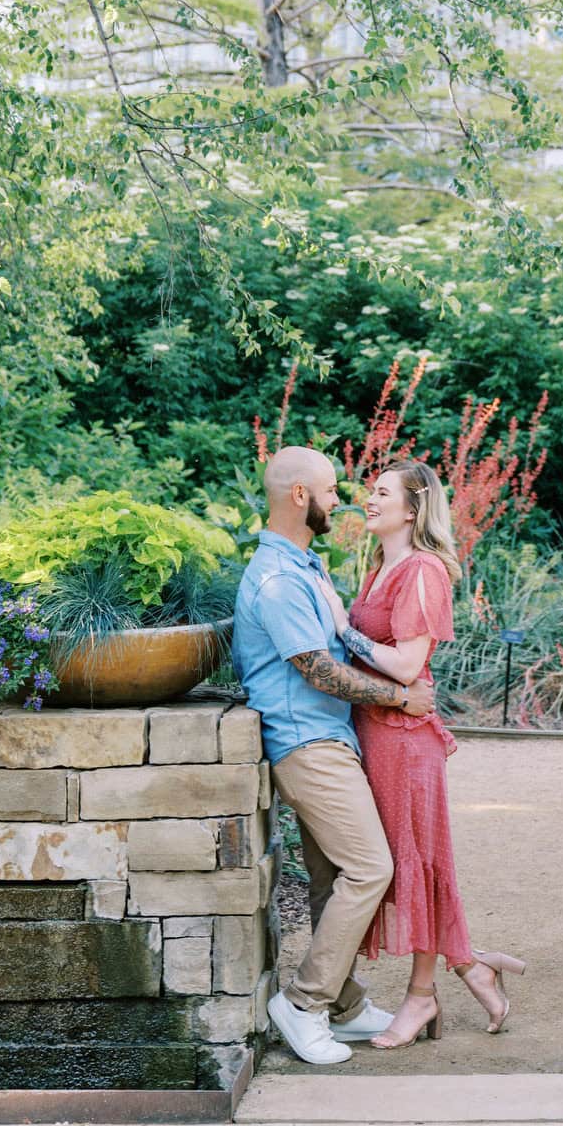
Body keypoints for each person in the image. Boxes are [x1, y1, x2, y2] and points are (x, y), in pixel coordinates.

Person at [233, 445, 437, 1067]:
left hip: (331, 738)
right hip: (306, 743)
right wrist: (401, 698)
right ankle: (305, 1003)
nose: (338, 499)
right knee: (371, 868)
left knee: (331, 881)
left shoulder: (305, 565)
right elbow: (317, 669)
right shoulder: (277, 579)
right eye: (329, 490)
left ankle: (344, 1007)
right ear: (300, 496)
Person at [323, 461, 525, 1050]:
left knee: (417, 863)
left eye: (382, 492)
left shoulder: (422, 570)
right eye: (371, 490)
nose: (370, 498)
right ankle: (470, 964)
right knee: (396, 862)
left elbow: (409, 667)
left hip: (407, 744)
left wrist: (344, 629)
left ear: (413, 508)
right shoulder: (380, 567)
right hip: (378, 734)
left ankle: (421, 997)